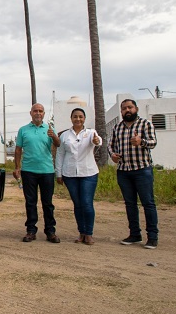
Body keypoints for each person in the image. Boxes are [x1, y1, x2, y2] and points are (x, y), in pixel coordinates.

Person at [108, 99, 159, 249]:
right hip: (124, 171)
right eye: (124, 108)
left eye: (130, 107)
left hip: (142, 170)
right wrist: (112, 155)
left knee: (148, 203)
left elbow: (153, 142)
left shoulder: (145, 124)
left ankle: (152, 236)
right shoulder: (117, 128)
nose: (127, 110)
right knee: (130, 204)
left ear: (136, 109)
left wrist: (141, 141)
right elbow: (110, 145)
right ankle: (135, 234)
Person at [13, 103, 61, 243]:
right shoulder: (23, 130)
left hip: (47, 171)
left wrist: (54, 136)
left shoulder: (49, 129)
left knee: (48, 203)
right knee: (30, 202)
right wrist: (17, 167)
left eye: (40, 111)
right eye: (35, 111)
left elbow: (58, 144)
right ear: (31, 113)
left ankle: (50, 231)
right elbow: (18, 150)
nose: (38, 113)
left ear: (44, 114)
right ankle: (31, 230)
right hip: (28, 171)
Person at [55, 108, 101, 245]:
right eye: (75, 116)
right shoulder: (64, 136)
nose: (78, 119)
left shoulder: (91, 133)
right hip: (70, 174)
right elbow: (60, 154)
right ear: (71, 118)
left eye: (81, 117)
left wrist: (97, 140)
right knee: (77, 204)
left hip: (88, 173)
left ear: (84, 119)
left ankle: (89, 233)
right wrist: (58, 173)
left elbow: (97, 141)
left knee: (87, 203)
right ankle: (81, 232)